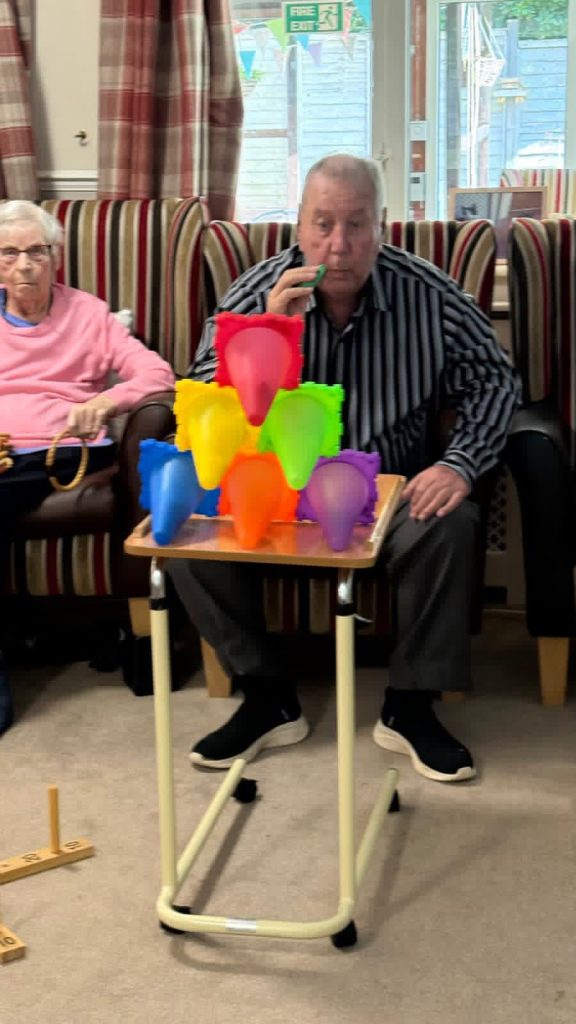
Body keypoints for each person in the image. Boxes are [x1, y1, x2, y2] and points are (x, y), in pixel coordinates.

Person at [168, 154, 520, 783]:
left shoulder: (429, 293)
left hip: (389, 496)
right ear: (297, 228)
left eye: (357, 225)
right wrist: (269, 336)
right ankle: (266, 694)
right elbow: (202, 407)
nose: (339, 245)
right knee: (186, 536)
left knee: (450, 523)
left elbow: (496, 380)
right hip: (277, 497)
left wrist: (459, 464)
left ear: (382, 227)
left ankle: (411, 706)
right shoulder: (256, 293)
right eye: (323, 224)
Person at [0, 200, 175, 736]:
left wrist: (108, 403)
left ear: (56, 257)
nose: (23, 265)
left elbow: (157, 373)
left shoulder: (89, 315)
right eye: (9, 253)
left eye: (36, 251)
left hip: (59, 449)